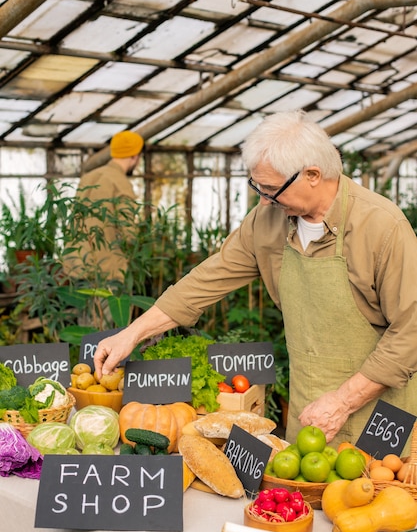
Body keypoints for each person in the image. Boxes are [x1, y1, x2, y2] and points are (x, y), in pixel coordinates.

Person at [93, 110, 417, 449]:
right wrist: (132, 333)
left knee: (380, 496)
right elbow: (207, 280)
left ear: (312, 175)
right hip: (310, 410)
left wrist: (342, 402)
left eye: (272, 189)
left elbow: (410, 332)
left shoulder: (381, 227)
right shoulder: (267, 220)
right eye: (257, 186)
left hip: (380, 413)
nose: (263, 199)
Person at [64, 129, 144, 283]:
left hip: (77, 263)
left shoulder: (88, 177)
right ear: (135, 156)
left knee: (84, 307)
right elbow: (128, 232)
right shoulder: (120, 183)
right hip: (106, 268)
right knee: (107, 307)